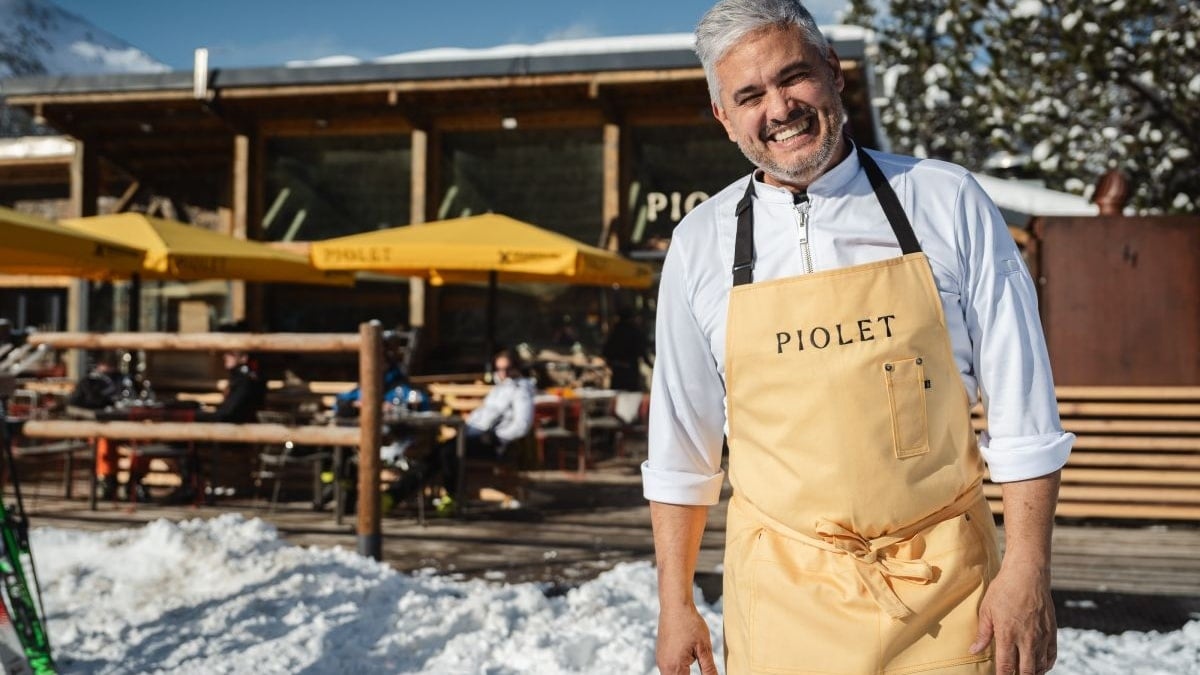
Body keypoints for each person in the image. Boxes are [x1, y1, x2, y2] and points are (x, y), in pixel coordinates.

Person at [643, 2, 1073, 674]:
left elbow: (1025, 414)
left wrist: (1026, 571)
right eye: (749, 95)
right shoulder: (701, 243)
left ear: (833, 73)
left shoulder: (945, 200)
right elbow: (681, 447)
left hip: (949, 593)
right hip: (781, 599)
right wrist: (675, 602)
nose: (779, 108)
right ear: (724, 118)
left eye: (794, 78)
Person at [386, 348, 534, 516]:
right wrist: (467, 426)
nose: (503, 373)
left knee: (449, 453)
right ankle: (394, 495)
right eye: (499, 369)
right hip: (473, 435)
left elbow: (522, 424)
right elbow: (483, 415)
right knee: (437, 453)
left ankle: (452, 497)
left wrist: (498, 437)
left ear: (516, 368)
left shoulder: (521, 391)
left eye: (507, 369)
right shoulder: (499, 388)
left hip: (493, 443)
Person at [67, 352, 125, 499]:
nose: (109, 368)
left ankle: (136, 482)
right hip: (96, 426)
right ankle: (106, 480)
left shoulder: (122, 380)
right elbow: (74, 404)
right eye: (107, 364)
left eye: (113, 364)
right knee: (104, 442)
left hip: (124, 424)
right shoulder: (89, 381)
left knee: (145, 439)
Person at [601, 306, 650, 391]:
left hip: (618, 371)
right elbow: (642, 351)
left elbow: (606, 352)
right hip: (629, 371)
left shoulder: (615, 332)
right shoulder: (634, 331)